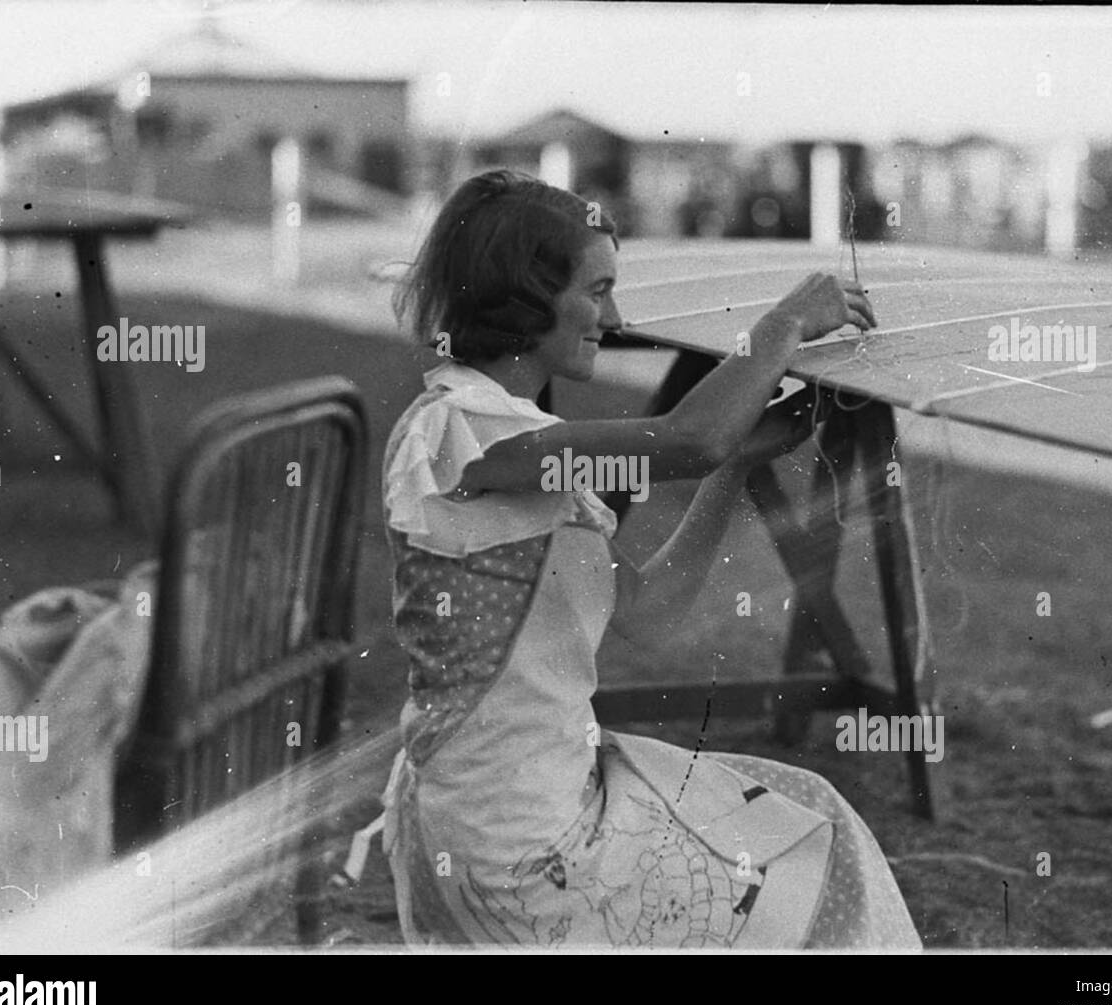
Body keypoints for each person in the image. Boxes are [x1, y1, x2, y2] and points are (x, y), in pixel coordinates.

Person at [380, 169, 920, 949]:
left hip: (517, 801)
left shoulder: (508, 444)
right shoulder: (459, 431)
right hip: (510, 846)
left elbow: (647, 610)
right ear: (526, 300)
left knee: (802, 806)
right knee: (805, 845)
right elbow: (687, 437)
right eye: (595, 291)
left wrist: (736, 469)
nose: (615, 316)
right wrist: (781, 330)